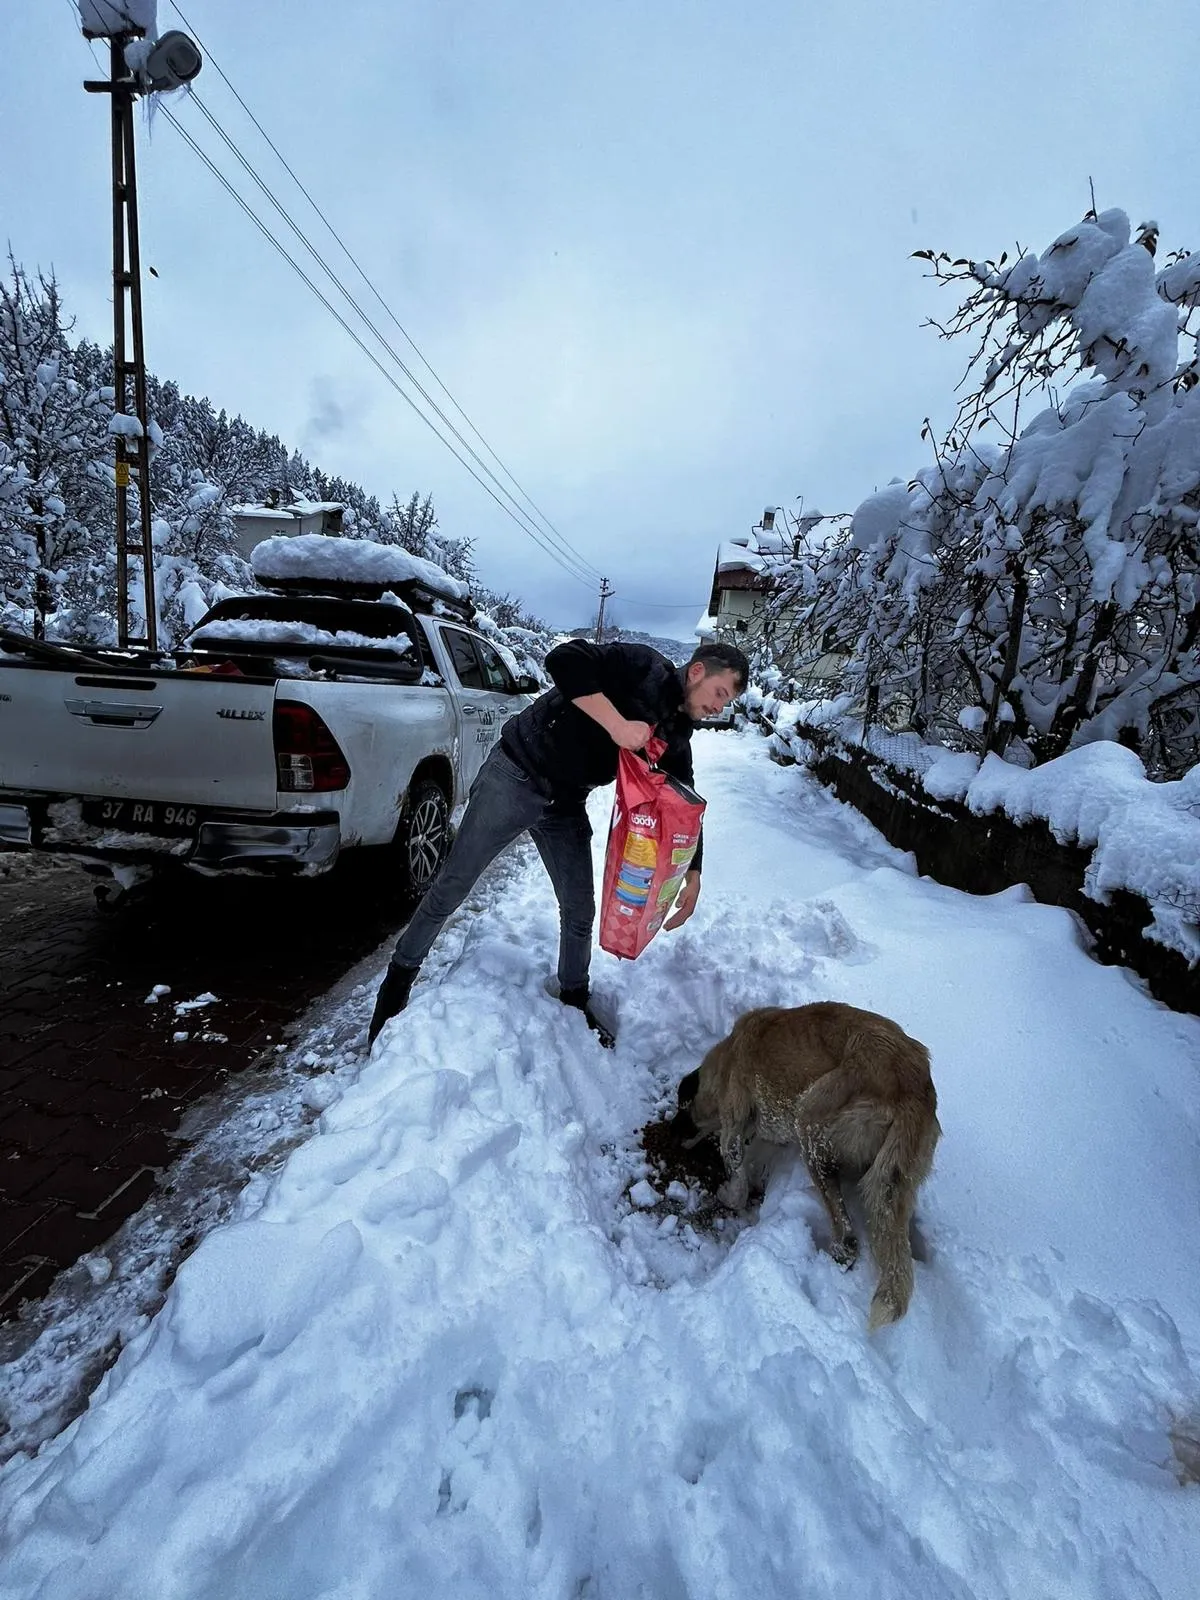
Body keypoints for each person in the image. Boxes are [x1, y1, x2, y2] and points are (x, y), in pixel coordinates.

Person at [368, 637, 750, 1049]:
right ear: (697, 672)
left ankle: (574, 1000)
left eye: (726, 701)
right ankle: (393, 994)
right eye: (720, 693)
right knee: (452, 887)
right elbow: (564, 659)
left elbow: (683, 800)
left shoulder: (675, 732)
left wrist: (693, 871)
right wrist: (619, 726)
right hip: (516, 773)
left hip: (565, 803)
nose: (719, 707)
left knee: (579, 907)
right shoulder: (641, 667)